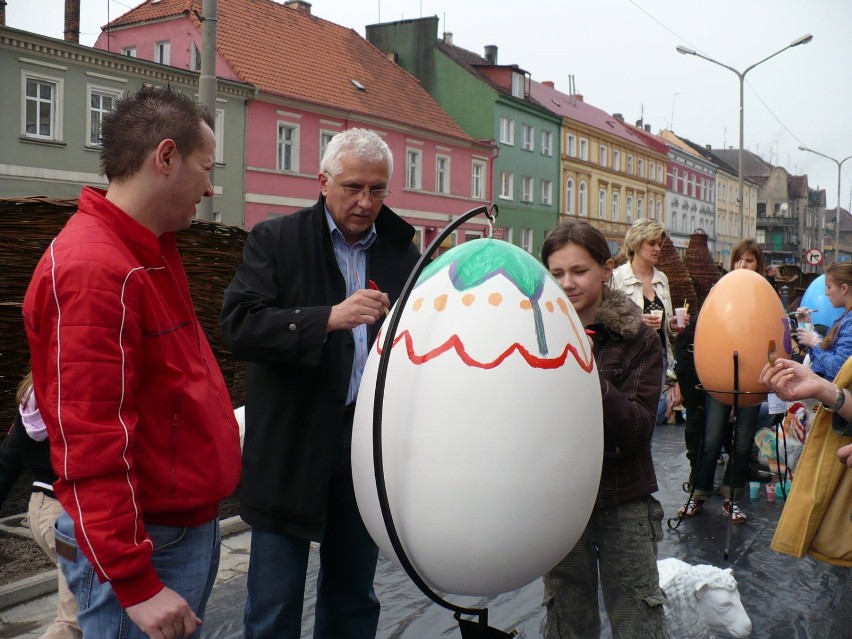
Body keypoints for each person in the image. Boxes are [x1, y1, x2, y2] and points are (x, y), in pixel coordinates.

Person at [22, 85, 242, 638]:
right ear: (165, 157)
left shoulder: (147, 252)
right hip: (150, 543)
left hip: (172, 530)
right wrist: (135, 582)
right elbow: (90, 440)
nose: (211, 187)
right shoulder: (97, 270)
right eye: (205, 167)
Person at [219, 128, 421, 639]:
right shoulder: (277, 239)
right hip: (290, 441)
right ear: (322, 181)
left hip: (362, 443)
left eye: (377, 190)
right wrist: (327, 318)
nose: (365, 202)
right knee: (275, 603)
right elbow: (240, 327)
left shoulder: (400, 252)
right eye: (353, 187)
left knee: (354, 597)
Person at [540, 221, 668, 639]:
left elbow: (638, 429)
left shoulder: (639, 340)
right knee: (567, 616)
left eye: (578, 271)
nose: (567, 283)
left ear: (606, 269)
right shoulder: (533, 334)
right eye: (556, 274)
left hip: (623, 497)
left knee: (637, 618)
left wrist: (587, 373)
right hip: (561, 500)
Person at [678, 239, 767, 524]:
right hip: (720, 376)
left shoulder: (764, 294)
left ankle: (731, 499)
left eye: (749, 261)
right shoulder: (722, 291)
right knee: (711, 439)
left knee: (742, 444)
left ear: (758, 264)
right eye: (739, 260)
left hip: (752, 379)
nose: (743, 265)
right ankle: (698, 495)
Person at [0, 373, 82, 639]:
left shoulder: (34, 399)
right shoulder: (72, 396)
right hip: (66, 512)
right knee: (75, 620)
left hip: (41, 510)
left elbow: (8, 460)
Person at [611, 218, 688, 426]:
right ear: (637, 243)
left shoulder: (661, 278)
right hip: (630, 357)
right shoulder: (617, 278)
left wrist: (672, 325)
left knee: (650, 417)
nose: (657, 249)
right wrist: (635, 321)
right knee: (631, 415)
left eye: (659, 244)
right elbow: (608, 323)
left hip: (658, 355)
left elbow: (667, 328)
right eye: (652, 243)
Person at [794, 261, 852, 380]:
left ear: (844, 288)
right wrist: (808, 327)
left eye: (829, 287)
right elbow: (821, 363)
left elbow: (838, 370)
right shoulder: (845, 317)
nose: (826, 293)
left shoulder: (850, 322)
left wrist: (815, 343)